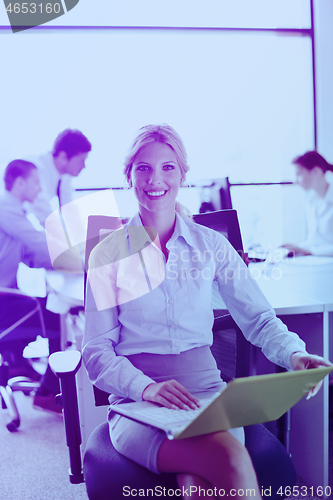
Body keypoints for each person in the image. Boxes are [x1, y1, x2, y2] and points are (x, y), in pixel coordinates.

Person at [83, 125, 331, 500]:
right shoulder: (109, 253)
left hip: (209, 396)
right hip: (138, 405)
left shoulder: (211, 245)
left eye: (168, 167)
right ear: (128, 175)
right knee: (229, 457)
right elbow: (96, 352)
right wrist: (146, 387)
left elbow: (259, 318)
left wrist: (294, 354)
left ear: (183, 175)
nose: (155, 179)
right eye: (143, 168)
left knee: (197, 485)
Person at [0, 160, 60, 413]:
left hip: (6, 297)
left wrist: (66, 261)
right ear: (20, 182)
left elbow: (30, 254)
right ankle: (49, 392)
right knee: (59, 316)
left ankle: (17, 363)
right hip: (4, 300)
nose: (40, 188)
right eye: (36, 182)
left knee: (51, 306)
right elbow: (36, 242)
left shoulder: (12, 209)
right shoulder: (5, 208)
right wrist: (87, 260)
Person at [26, 128, 92, 226]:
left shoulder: (64, 175)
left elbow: (69, 211)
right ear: (63, 157)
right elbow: (46, 217)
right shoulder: (35, 170)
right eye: (81, 160)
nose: (84, 166)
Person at [282, 151, 333, 257]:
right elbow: (315, 242)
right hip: (318, 261)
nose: (296, 181)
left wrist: (309, 251)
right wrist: (298, 247)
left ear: (316, 171)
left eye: (299, 174)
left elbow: (317, 249)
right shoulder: (311, 200)